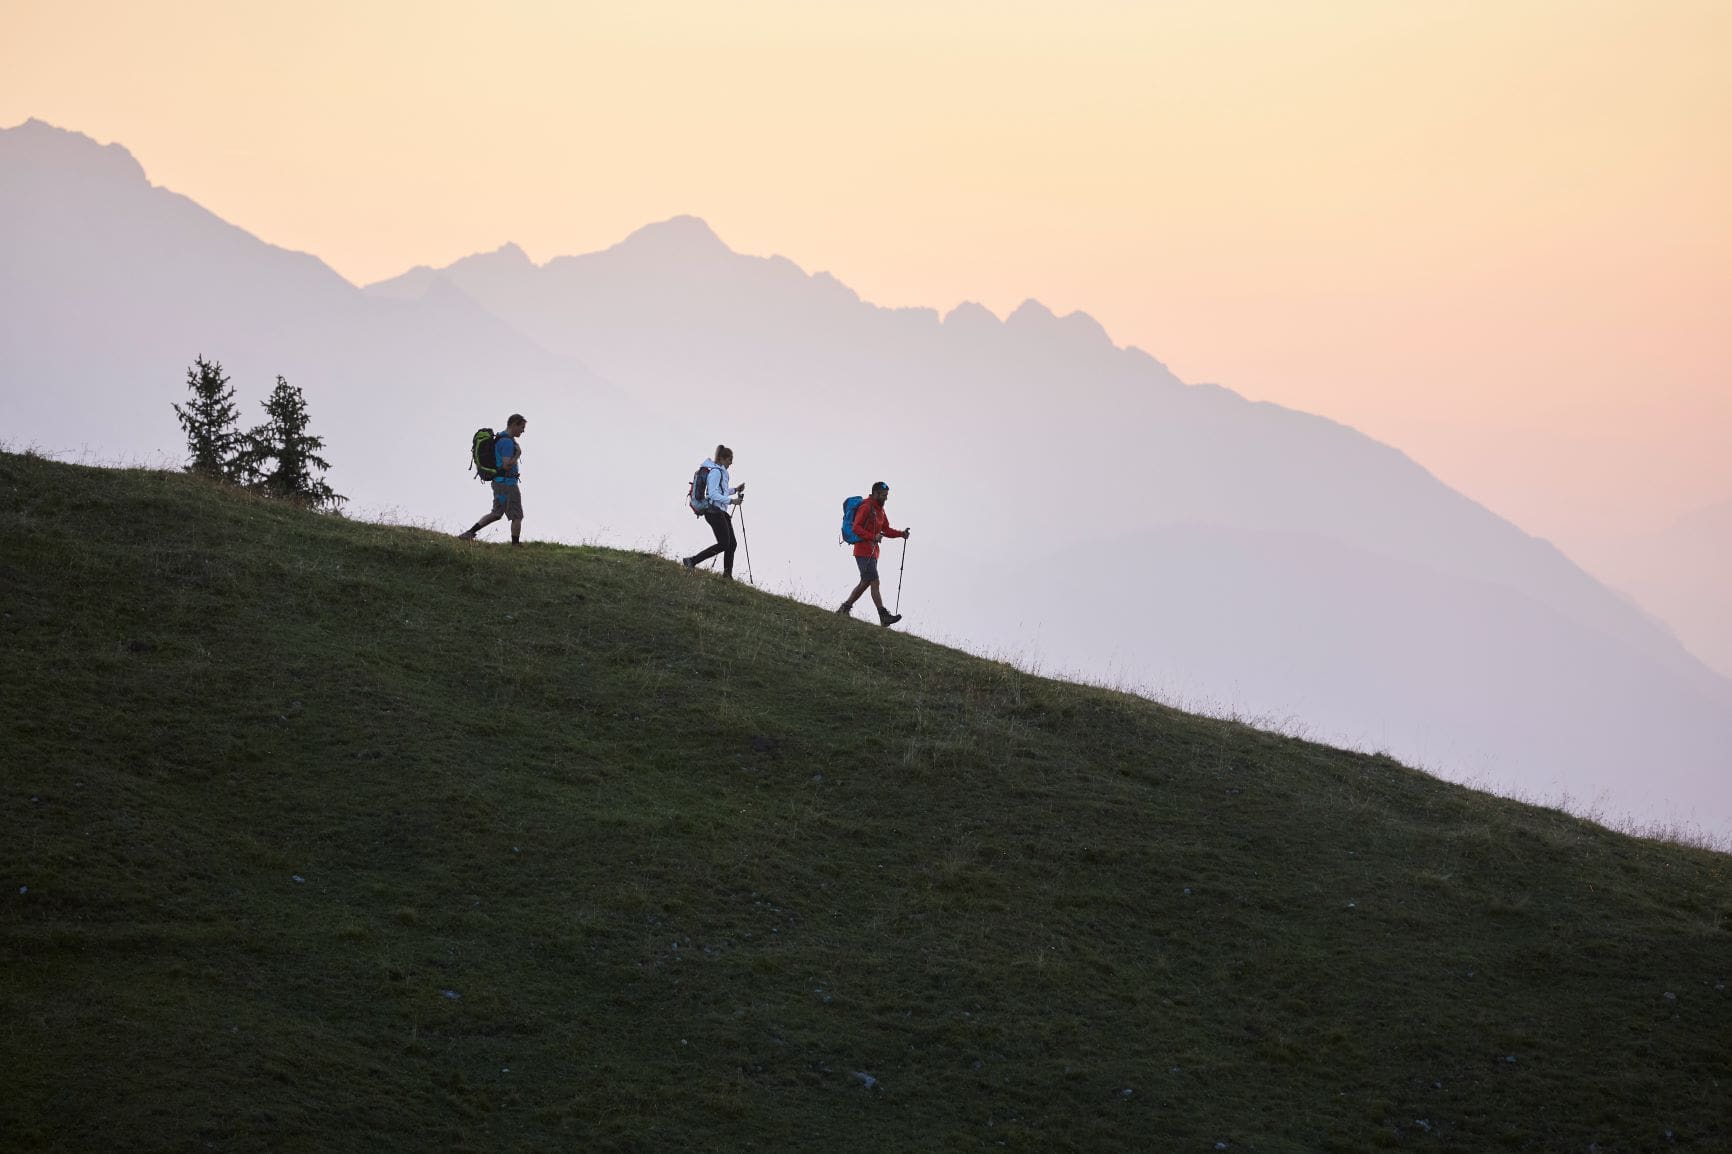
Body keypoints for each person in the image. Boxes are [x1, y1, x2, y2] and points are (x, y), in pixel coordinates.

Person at [838, 480, 909, 626]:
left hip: (873, 552)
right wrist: (873, 536)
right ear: (875, 493)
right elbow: (856, 528)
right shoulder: (866, 507)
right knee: (874, 581)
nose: (886, 498)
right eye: (883, 495)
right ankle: (883, 616)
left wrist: (901, 534)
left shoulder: (880, 510)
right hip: (862, 550)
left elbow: (887, 529)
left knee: (865, 582)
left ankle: (844, 609)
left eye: (887, 495)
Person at [458, 414, 527, 544]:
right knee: (517, 515)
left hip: (499, 482)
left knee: (496, 513)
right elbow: (506, 465)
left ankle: (469, 533)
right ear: (514, 424)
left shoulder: (501, 438)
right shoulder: (507, 442)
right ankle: (515, 546)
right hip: (508, 484)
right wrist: (518, 454)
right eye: (522, 427)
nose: (523, 430)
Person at [682, 444, 744, 578]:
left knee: (731, 544)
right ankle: (692, 561)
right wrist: (732, 501)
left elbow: (722, 491)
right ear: (722, 459)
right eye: (729, 459)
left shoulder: (721, 472)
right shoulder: (716, 472)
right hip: (713, 511)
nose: (731, 462)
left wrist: (735, 490)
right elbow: (713, 494)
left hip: (720, 511)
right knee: (724, 543)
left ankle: (727, 576)